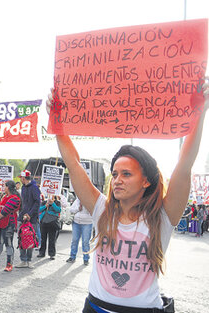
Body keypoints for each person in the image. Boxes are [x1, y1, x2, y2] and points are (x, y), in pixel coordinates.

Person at [47, 82, 208, 312]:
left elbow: (184, 166)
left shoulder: (162, 217)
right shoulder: (101, 209)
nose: (117, 179)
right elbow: (73, 165)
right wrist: (57, 122)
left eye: (126, 174)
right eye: (114, 174)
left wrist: (200, 113)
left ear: (146, 181)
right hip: (95, 306)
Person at [17, 169, 41, 268]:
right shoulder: (23, 188)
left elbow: (37, 203)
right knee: (21, 238)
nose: (21, 180)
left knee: (30, 238)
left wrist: (29, 214)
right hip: (22, 217)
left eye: (21, 178)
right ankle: (23, 260)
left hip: (32, 218)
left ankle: (29, 260)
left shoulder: (34, 188)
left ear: (23, 178)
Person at [66, 198, 93, 265]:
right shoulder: (78, 200)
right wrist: (78, 208)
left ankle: (86, 258)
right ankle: (72, 257)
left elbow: (94, 211)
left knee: (85, 242)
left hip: (87, 223)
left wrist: (87, 207)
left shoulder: (91, 199)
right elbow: (71, 209)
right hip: (76, 223)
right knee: (74, 240)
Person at [38, 195, 61, 260]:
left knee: (52, 239)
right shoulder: (44, 202)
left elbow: (58, 210)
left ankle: (52, 254)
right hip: (43, 221)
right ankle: (42, 252)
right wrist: (45, 206)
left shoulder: (57, 202)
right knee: (43, 238)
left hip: (52, 222)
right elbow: (39, 210)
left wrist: (52, 203)